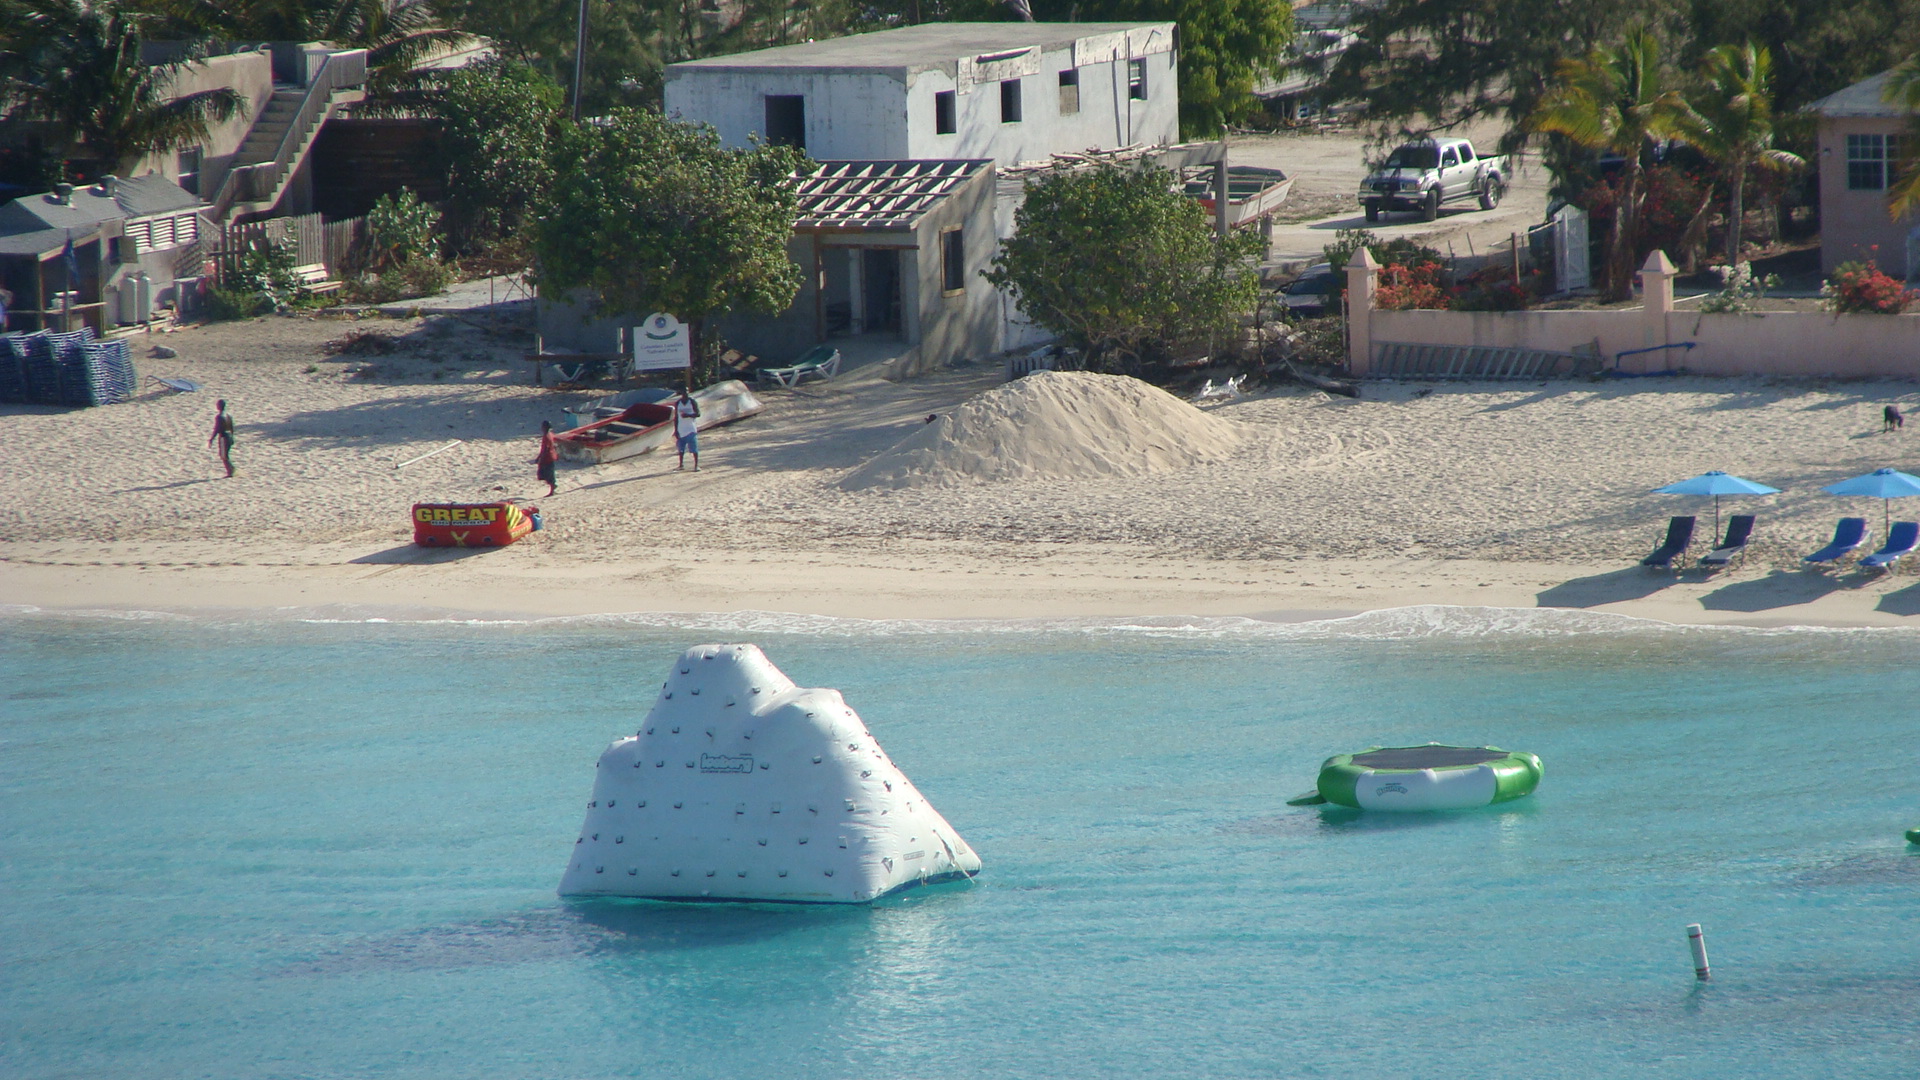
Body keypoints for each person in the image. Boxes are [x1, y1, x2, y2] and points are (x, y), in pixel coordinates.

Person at [674, 388, 701, 470]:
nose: (685, 394)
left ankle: (696, 465)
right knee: (681, 449)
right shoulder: (678, 403)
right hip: (681, 429)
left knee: (694, 448)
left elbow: (698, 414)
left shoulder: (692, 402)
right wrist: (676, 430)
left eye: (687, 392)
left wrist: (688, 415)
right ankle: (681, 465)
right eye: (684, 392)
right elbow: (676, 417)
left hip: (691, 429)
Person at [207, 399, 235, 477]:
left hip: (223, 437)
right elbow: (232, 427)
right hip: (229, 436)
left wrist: (211, 439)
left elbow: (216, 429)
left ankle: (230, 471)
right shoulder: (228, 415)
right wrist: (232, 437)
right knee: (225, 455)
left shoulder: (219, 417)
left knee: (223, 455)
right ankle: (231, 469)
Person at [535, 420, 558, 496]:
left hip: (548, 458)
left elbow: (545, 449)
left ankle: (552, 488)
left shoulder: (546, 436)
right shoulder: (550, 434)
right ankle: (553, 486)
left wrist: (540, 458)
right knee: (549, 474)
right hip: (551, 456)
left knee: (547, 474)